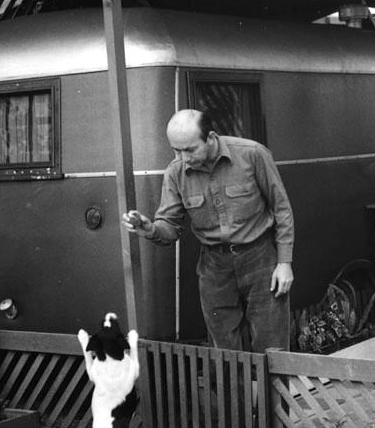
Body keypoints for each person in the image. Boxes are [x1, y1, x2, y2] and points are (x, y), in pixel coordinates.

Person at [121, 109, 294, 353]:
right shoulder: (175, 172)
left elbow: (282, 209)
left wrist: (284, 262)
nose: (183, 158)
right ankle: (236, 393)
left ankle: (273, 393)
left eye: (190, 149)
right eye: (176, 150)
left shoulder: (252, 154)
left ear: (211, 138)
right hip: (214, 266)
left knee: (272, 346)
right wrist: (148, 228)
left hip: (260, 259)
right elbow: (170, 227)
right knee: (223, 351)